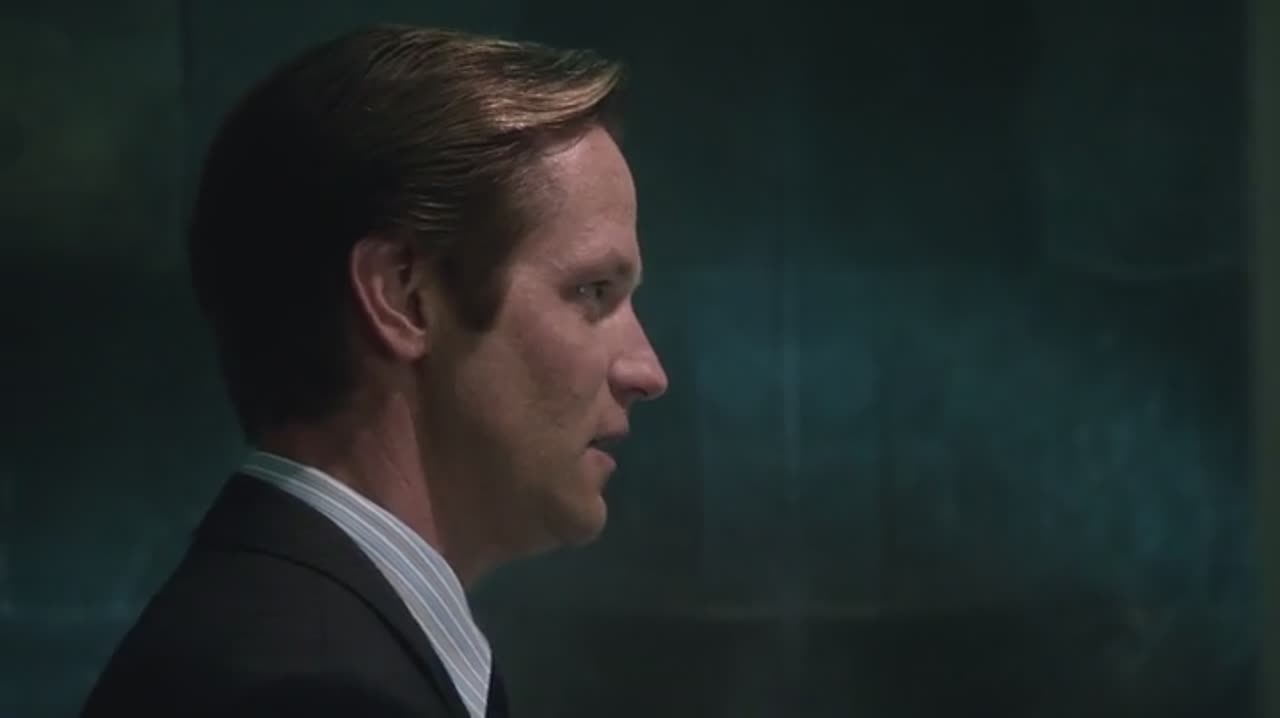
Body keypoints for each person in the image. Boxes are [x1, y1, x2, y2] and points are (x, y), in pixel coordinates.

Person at [79, 23, 668, 718]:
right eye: (592, 291)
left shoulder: (285, 641)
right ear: (403, 296)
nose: (647, 371)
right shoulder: (310, 692)